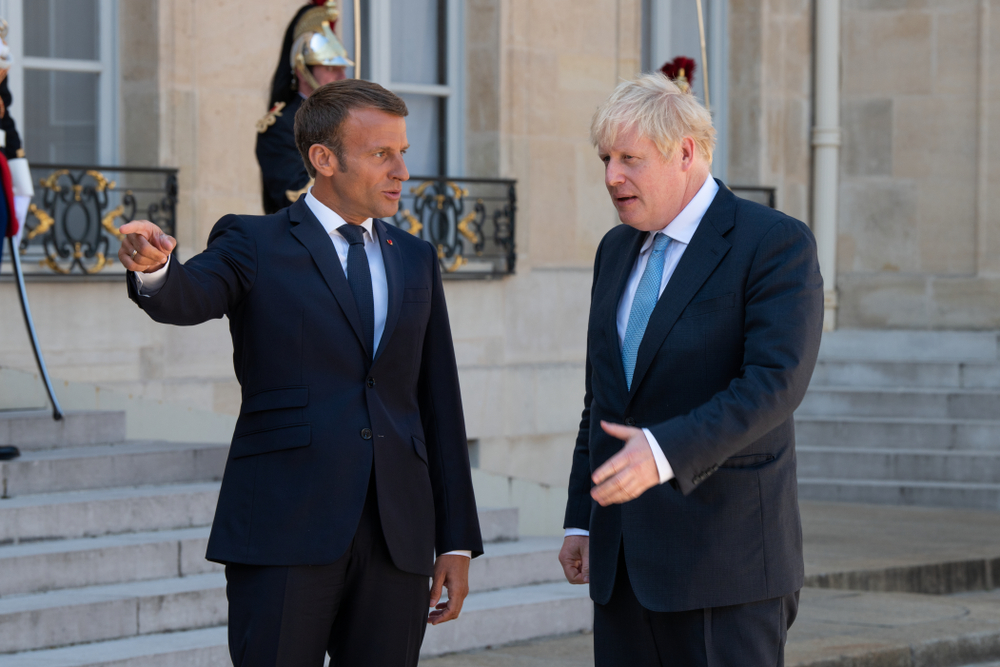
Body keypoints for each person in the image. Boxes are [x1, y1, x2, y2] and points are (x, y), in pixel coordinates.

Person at [119, 78, 483, 667]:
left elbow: (438, 400)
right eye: (381, 154)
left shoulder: (416, 257)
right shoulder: (253, 240)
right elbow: (190, 295)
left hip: (399, 537)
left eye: (403, 153)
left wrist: (457, 538)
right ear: (324, 159)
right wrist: (157, 270)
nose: (401, 172)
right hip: (285, 526)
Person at [558, 73, 823, 666]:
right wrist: (581, 517)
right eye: (605, 158)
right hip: (622, 566)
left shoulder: (773, 242)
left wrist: (662, 451)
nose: (610, 177)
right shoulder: (615, 249)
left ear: (685, 152)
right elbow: (602, 399)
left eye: (630, 159)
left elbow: (775, 383)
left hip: (726, 567)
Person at [257, 0, 353, 215]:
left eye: (342, 67)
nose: (341, 76)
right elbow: (293, 197)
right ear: (302, 71)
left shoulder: (346, 120)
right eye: (330, 67)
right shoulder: (279, 127)